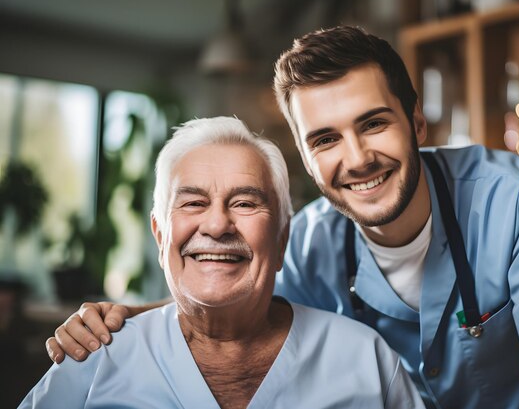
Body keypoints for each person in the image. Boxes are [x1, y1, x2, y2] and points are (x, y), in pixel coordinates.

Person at [46, 26, 519, 408]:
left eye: (374, 123)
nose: (356, 158)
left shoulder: (514, 197)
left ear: (417, 125)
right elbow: (233, 284)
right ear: (306, 157)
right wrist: (116, 318)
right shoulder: (314, 243)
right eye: (325, 139)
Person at [21, 117, 422, 409]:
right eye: (194, 202)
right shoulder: (96, 356)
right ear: (161, 236)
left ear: (282, 239)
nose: (216, 224)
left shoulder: (366, 360)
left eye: (245, 203)